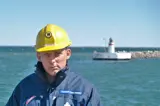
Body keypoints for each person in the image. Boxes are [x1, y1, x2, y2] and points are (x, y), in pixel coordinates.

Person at [6, 24, 101, 106]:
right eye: (47, 54)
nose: (52, 60)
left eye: (57, 53)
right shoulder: (23, 88)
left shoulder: (85, 90)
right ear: (39, 56)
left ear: (68, 54)